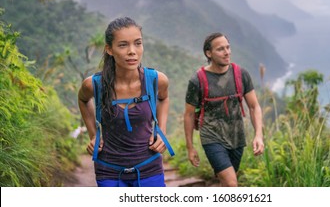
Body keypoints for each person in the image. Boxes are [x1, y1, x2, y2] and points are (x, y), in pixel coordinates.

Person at [78, 17, 171, 187]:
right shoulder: (94, 84)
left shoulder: (155, 80)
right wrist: (93, 135)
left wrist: (161, 130)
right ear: (109, 49)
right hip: (108, 171)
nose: (132, 51)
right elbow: (83, 100)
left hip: (149, 168)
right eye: (123, 45)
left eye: (138, 43)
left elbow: (163, 98)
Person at [183, 32, 264, 187]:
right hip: (212, 137)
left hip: (237, 138)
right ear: (209, 53)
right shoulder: (197, 80)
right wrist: (190, 147)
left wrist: (258, 135)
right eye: (221, 49)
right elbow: (188, 114)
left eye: (228, 47)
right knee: (232, 184)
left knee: (227, 183)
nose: (227, 52)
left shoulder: (241, 74)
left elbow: (254, 106)